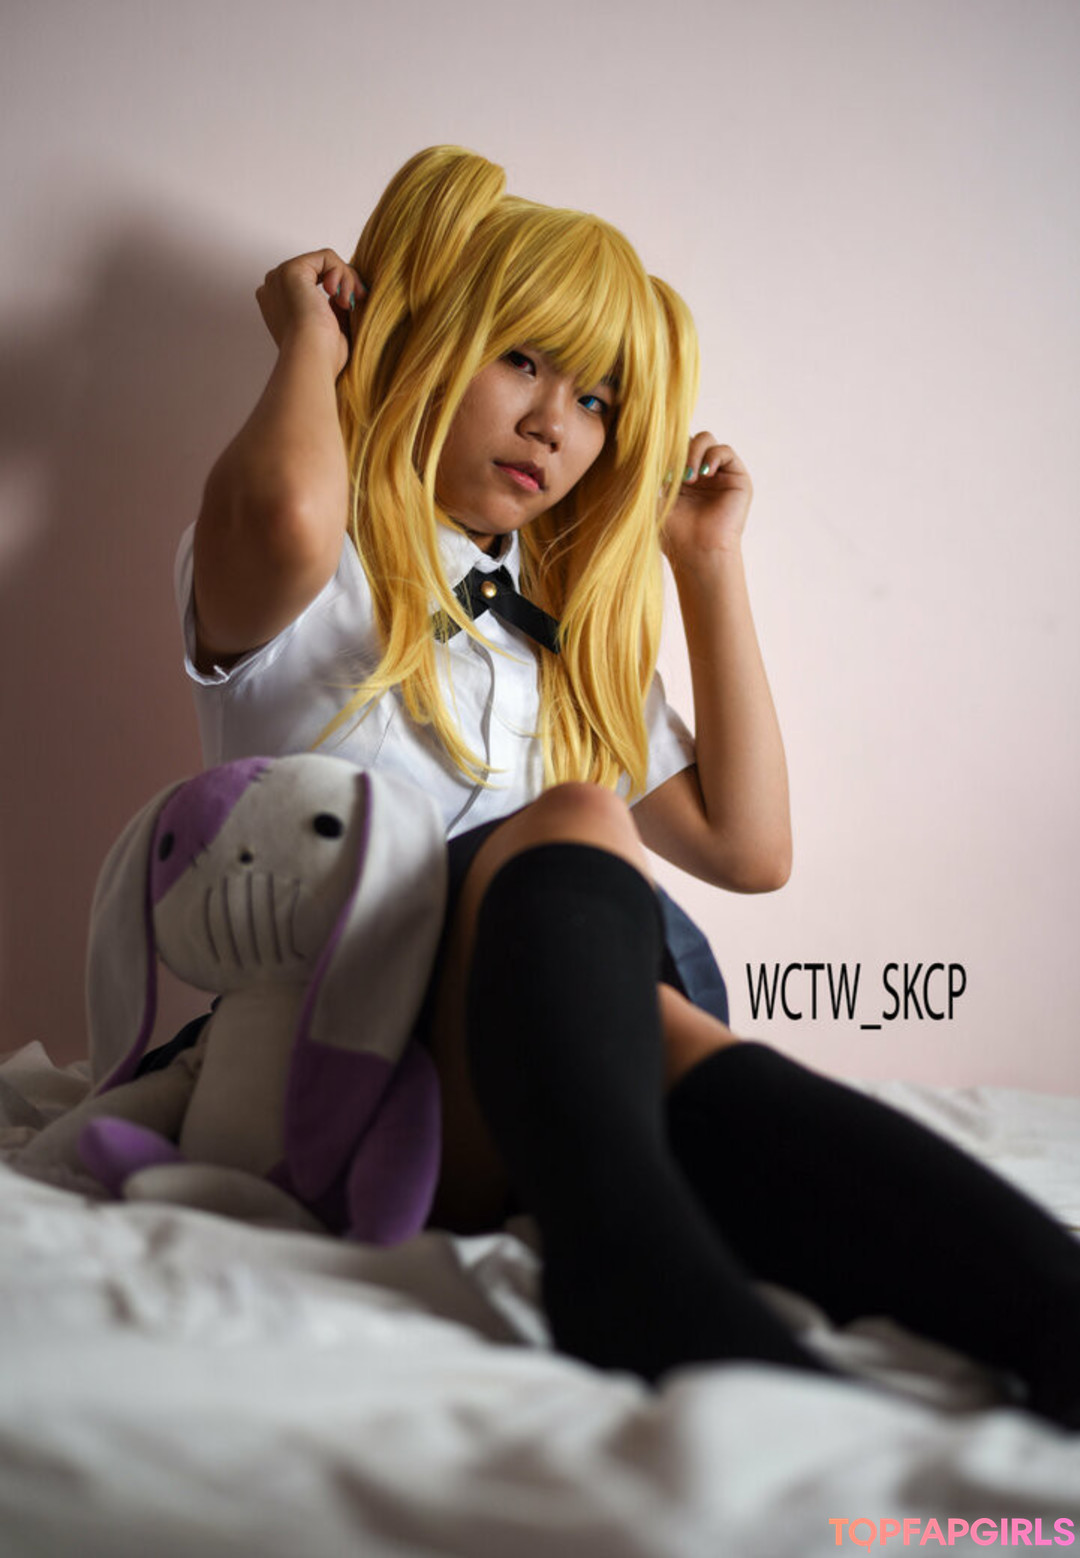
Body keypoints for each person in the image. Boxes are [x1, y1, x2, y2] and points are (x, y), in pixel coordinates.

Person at [178, 145, 1079, 1422]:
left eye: (597, 399)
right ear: (424, 340)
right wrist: (315, 345)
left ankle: (1028, 1308)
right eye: (523, 360)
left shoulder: (551, 637)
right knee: (582, 818)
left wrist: (707, 567)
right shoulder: (309, 570)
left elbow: (750, 847)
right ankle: (642, 1255)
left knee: (644, 998)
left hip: (527, 1087)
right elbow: (281, 509)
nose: (556, 423)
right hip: (343, 1079)